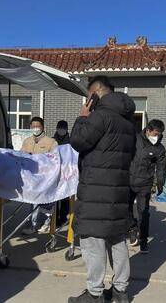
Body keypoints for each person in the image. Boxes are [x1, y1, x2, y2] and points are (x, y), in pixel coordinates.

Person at [68, 76, 135, 303]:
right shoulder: (127, 122)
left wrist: (81, 117)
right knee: (117, 241)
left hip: (97, 191)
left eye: (88, 95)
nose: (87, 100)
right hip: (118, 192)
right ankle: (120, 291)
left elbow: (78, 141)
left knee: (93, 241)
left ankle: (94, 293)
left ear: (96, 92)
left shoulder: (99, 116)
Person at [128, 119, 166, 254]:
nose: (157, 137)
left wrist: (160, 183)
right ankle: (132, 229)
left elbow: (161, 167)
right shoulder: (135, 139)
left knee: (143, 212)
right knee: (125, 209)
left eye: (159, 135)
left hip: (145, 183)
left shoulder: (159, 149)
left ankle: (143, 242)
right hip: (129, 180)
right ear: (148, 130)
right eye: (155, 134)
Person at [20, 116, 58, 235]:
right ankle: (33, 222)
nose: (35, 128)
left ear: (42, 127)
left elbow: (55, 160)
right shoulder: (27, 141)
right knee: (31, 201)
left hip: (45, 178)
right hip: (30, 177)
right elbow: (21, 156)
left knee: (45, 202)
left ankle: (41, 224)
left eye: (38, 126)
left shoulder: (51, 142)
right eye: (33, 126)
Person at [53, 120, 71, 226]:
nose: (61, 130)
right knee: (55, 197)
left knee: (65, 197)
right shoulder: (52, 140)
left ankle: (63, 217)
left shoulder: (70, 141)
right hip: (54, 172)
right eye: (60, 128)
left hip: (66, 172)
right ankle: (54, 217)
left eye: (63, 128)